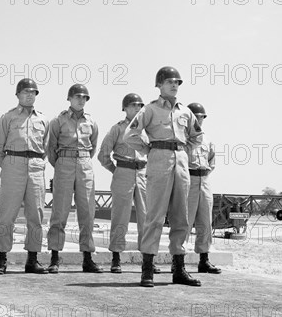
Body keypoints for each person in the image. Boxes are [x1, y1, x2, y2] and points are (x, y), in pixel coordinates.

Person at [123, 67, 203, 288]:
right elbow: (130, 134)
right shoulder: (149, 109)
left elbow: (197, 136)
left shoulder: (185, 112)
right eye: (169, 81)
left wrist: (184, 149)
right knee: (155, 216)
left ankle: (179, 270)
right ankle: (147, 269)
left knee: (182, 218)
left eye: (177, 82)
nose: (174, 85)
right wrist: (149, 149)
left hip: (181, 163)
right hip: (158, 160)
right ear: (159, 85)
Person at [0, 78, 49, 275]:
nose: (29, 95)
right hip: (12, 164)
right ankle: (1, 259)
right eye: (25, 92)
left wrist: (35, 163)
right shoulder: (7, 117)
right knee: (7, 214)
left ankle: (32, 259)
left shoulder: (43, 120)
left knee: (36, 214)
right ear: (17, 95)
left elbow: (46, 148)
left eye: (33, 92)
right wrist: (9, 165)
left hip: (35, 166)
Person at [47, 84, 102, 273]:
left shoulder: (92, 123)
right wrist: (62, 164)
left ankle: (87, 258)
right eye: (77, 96)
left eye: (84, 97)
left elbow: (93, 147)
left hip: (85, 162)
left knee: (87, 211)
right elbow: (51, 148)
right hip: (64, 161)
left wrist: (82, 160)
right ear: (69, 98)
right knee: (60, 211)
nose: (81, 100)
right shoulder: (58, 121)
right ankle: (54, 257)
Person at [98, 93, 150, 274]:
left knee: (146, 217)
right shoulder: (117, 129)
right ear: (125, 108)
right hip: (123, 171)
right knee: (120, 216)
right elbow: (103, 155)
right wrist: (117, 171)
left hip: (143, 174)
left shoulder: (147, 130)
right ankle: (116, 257)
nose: (137, 109)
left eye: (140, 106)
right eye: (134, 105)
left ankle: (148, 260)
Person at [186, 102, 221, 274]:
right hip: (189, 180)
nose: (199, 120)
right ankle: (178, 261)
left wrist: (204, 174)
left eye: (201, 117)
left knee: (205, 222)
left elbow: (212, 161)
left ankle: (204, 260)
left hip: (204, 180)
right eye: (196, 117)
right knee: (184, 222)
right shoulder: (183, 140)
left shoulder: (207, 140)